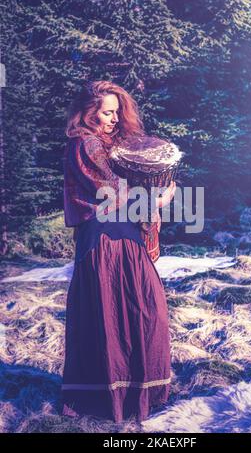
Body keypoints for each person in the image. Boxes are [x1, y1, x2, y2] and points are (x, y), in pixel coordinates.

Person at [61, 80, 176, 423]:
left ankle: (140, 392)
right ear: (87, 113)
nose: (113, 118)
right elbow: (110, 191)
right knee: (113, 313)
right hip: (105, 242)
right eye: (106, 112)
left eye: (116, 112)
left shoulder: (113, 144)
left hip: (125, 236)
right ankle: (110, 399)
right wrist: (157, 200)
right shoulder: (85, 145)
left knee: (144, 309)